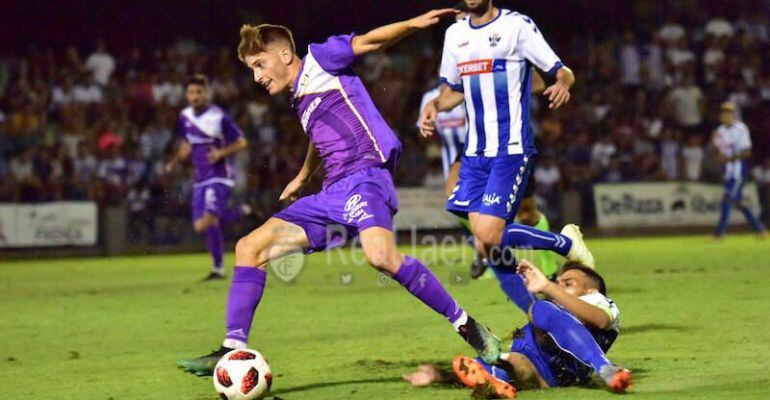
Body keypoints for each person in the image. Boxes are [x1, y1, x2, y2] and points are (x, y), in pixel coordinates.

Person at [177, 9, 503, 377]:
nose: (257, 76)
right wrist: (304, 176)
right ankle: (231, 348)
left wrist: (412, 24)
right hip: (332, 190)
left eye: (259, 64)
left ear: (284, 54)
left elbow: (370, 41)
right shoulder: (300, 97)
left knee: (381, 257)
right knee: (249, 248)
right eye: (252, 69)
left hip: (366, 176)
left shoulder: (320, 58)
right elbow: (319, 137)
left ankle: (468, 326)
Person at [420, 0, 593, 282]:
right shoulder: (455, 34)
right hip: (474, 152)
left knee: (498, 230)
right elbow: (453, 90)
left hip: (510, 148)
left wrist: (562, 82)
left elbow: (561, 71)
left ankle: (563, 248)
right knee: (484, 239)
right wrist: (435, 105)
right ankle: (544, 275)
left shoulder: (516, 26)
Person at [402, 260, 633, 397]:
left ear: (592, 291)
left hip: (565, 370)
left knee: (539, 309)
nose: (559, 287)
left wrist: (548, 287)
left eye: (568, 283)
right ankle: (495, 383)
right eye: (558, 282)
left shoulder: (601, 303)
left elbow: (600, 320)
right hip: (531, 365)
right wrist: (439, 375)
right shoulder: (555, 307)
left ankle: (605, 368)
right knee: (502, 361)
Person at [165, 75, 251, 280]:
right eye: (191, 92)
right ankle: (240, 211)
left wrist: (221, 153)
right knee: (200, 226)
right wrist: (174, 162)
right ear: (187, 95)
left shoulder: (218, 116)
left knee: (210, 220)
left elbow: (241, 142)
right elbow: (186, 144)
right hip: (200, 178)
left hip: (219, 175)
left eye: (199, 92)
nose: (195, 96)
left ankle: (218, 269)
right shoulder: (185, 116)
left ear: (207, 94)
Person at [712, 101, 766, 238]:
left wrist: (729, 158)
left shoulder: (741, 129)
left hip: (739, 171)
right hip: (728, 171)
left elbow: (747, 152)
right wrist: (719, 156)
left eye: (729, 112)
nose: (726, 115)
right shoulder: (719, 131)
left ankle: (719, 233)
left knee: (727, 198)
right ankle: (760, 229)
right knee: (739, 202)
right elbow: (718, 150)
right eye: (724, 112)